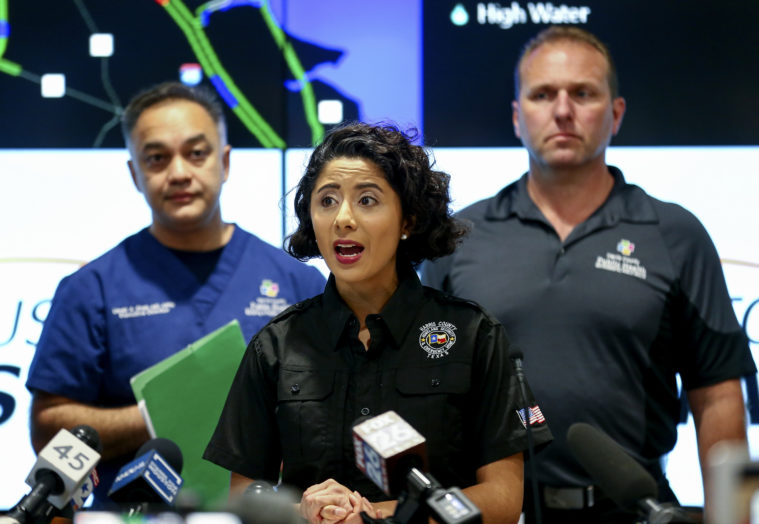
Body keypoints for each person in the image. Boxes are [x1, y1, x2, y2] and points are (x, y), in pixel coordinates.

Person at [421, 25, 756, 523]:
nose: (562, 110)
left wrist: (730, 520)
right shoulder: (459, 237)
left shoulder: (675, 233)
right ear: (517, 117)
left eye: (583, 93)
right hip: (495, 513)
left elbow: (718, 396)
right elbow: (424, 391)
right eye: (542, 94)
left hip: (635, 511)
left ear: (615, 114)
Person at [203, 122, 552, 524]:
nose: (343, 219)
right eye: (327, 201)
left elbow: (504, 499)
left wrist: (378, 516)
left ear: (409, 220)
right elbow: (246, 497)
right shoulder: (276, 346)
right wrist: (305, 512)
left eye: (367, 200)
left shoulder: (475, 336)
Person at [25, 81, 326, 507]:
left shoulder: (300, 283)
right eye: (157, 158)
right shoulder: (91, 288)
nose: (180, 171)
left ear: (224, 162)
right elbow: (48, 432)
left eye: (196, 153)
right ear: (135, 173)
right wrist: (164, 414)